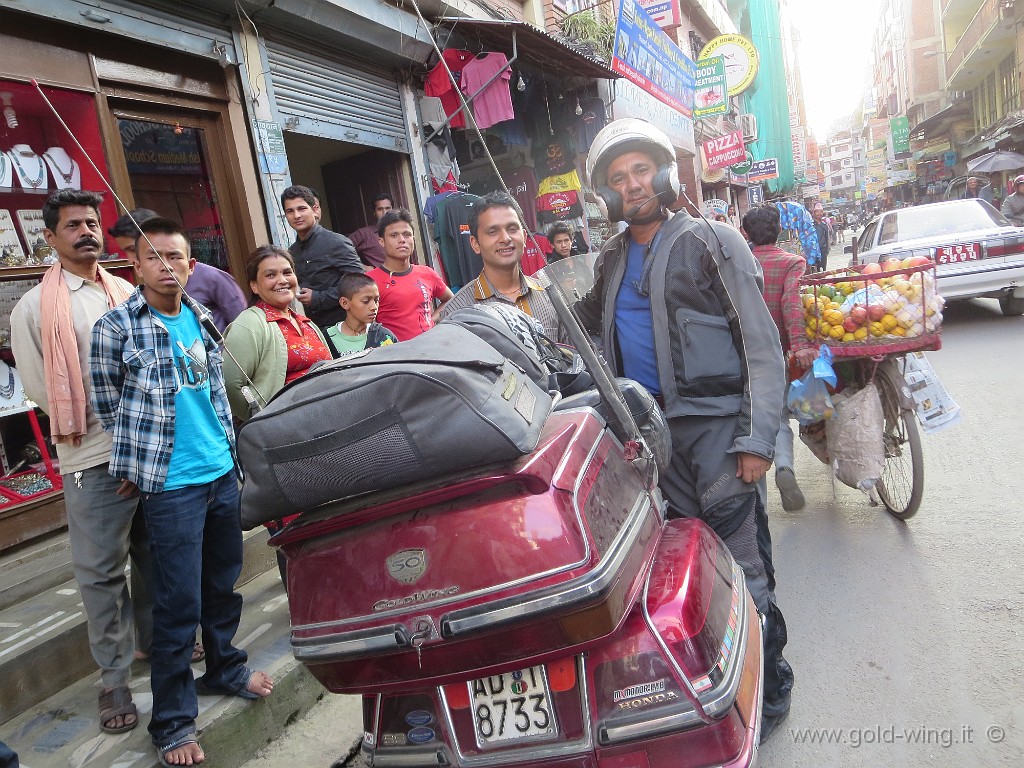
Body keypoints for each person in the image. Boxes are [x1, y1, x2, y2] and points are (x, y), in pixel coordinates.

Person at [576, 118, 792, 742]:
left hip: (718, 433)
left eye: (640, 170)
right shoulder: (611, 259)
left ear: (664, 172)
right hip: (653, 440)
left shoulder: (712, 240)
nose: (631, 184)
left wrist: (756, 440)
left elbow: (761, 346)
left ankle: (770, 681)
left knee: (745, 564)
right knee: (689, 568)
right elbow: (582, 330)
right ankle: (714, 688)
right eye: (618, 178)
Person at [90, 216, 273, 767]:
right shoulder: (117, 327)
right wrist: (136, 459)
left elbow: (215, 392)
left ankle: (226, 668)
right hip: (171, 485)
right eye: (155, 258)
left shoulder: (200, 317)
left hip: (219, 473)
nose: (167, 267)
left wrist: (232, 460)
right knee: (177, 603)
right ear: (137, 265)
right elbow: (106, 402)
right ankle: (172, 722)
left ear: (192, 267)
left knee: (223, 583)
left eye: (177, 258)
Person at [10, 190, 155, 736]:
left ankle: (153, 643)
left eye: (92, 222)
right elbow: (43, 390)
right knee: (100, 573)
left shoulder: (123, 290)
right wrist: (113, 441)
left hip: (148, 447)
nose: (86, 232)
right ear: (50, 238)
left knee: (152, 553)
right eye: (72, 225)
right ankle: (113, 678)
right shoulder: (35, 309)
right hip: (92, 455)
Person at [743, 205, 818, 511]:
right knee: (781, 416)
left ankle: (759, 492)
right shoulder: (791, 263)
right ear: (778, 230)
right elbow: (792, 304)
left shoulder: (739, 264)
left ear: (747, 233)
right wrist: (799, 344)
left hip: (745, 353)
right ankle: (785, 467)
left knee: (759, 418)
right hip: (779, 352)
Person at [441, 192, 565, 341]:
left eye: (512, 229)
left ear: (524, 237)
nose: (505, 238)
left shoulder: (550, 296)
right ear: (475, 243)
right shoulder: (457, 312)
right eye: (492, 232)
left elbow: (572, 356)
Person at [108, 209, 246, 333]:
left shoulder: (212, 281)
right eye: (152, 257)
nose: (129, 259)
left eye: (132, 249)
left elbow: (244, 328)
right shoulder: (119, 317)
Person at [281, 185, 364, 331]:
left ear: (314, 209)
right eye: (290, 211)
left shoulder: (337, 242)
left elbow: (359, 284)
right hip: (315, 329)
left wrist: (318, 297)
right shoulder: (292, 252)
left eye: (301, 208)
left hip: (346, 327)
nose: (296, 215)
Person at [369, 208, 453, 340]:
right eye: (394, 235)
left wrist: (432, 320)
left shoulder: (427, 273)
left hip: (431, 349)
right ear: (381, 241)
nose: (402, 240)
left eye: (407, 234)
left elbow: (450, 300)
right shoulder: (370, 281)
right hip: (396, 355)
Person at [324, 271, 399, 357]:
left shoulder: (385, 337)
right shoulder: (326, 339)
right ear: (344, 303)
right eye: (365, 301)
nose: (374, 307)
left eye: (376, 301)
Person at [347, 192, 393, 269]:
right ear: (374, 212)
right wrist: (362, 267)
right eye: (380, 209)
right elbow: (340, 251)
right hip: (380, 279)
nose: (384, 213)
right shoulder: (364, 234)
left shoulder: (401, 232)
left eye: (387, 208)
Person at [811, 203, 830, 272]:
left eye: (821, 211)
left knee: (823, 270)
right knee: (814, 271)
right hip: (813, 251)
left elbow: (827, 238)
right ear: (814, 213)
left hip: (823, 250)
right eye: (817, 211)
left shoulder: (824, 225)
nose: (819, 213)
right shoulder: (810, 224)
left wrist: (827, 249)